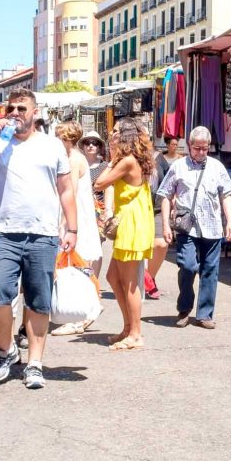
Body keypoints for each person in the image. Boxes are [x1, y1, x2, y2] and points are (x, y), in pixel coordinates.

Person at [0, 89, 77, 389]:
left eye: (22, 108)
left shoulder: (52, 146)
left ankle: (35, 363)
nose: (15, 112)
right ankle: (6, 350)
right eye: (11, 107)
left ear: (34, 113)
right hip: (3, 233)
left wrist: (72, 228)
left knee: (38, 301)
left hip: (43, 235)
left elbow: (65, 189)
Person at [159, 126, 231, 329]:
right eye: (197, 148)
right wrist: (166, 224)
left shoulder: (217, 167)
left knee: (210, 270)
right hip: (187, 227)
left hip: (212, 226)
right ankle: (184, 308)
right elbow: (166, 196)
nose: (201, 152)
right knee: (188, 265)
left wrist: (230, 221)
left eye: (205, 148)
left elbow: (226, 195)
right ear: (189, 146)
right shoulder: (178, 166)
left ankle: (205, 314)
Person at [94, 118, 155, 350]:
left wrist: (111, 159)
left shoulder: (127, 161)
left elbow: (99, 183)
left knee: (130, 283)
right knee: (112, 277)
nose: (112, 134)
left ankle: (136, 333)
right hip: (132, 219)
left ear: (126, 136)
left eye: (117, 131)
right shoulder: (134, 159)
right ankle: (128, 327)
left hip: (132, 222)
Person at [50, 122, 104, 336]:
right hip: (79, 216)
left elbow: (68, 192)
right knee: (79, 265)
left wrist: (64, 225)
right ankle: (87, 307)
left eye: (59, 137)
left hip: (76, 218)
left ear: (67, 139)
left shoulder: (72, 159)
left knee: (77, 265)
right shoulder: (75, 157)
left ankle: (83, 311)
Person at [149, 134, 184, 295]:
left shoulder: (159, 160)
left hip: (157, 205)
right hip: (137, 208)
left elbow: (168, 183)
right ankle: (144, 281)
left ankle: (149, 277)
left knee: (161, 243)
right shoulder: (129, 159)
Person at [81, 130, 113, 280]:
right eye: (88, 142)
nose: (91, 145)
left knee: (96, 246)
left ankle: (94, 281)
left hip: (97, 211)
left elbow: (109, 187)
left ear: (99, 146)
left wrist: (107, 209)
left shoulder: (104, 166)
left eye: (94, 143)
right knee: (80, 245)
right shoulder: (77, 163)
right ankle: (82, 279)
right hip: (80, 208)